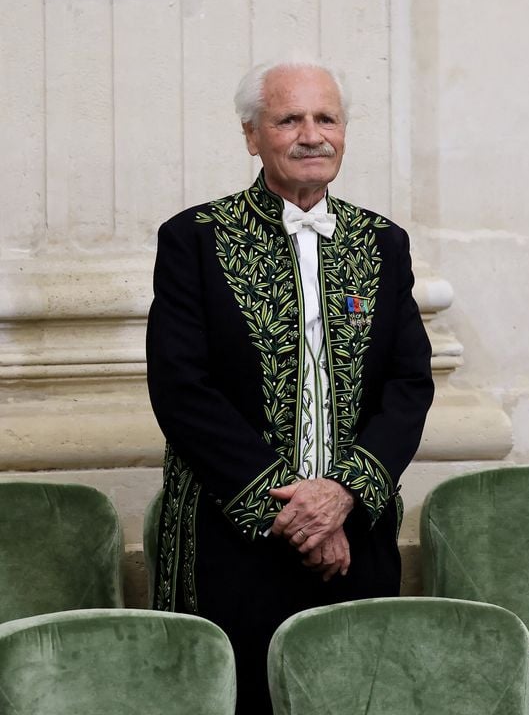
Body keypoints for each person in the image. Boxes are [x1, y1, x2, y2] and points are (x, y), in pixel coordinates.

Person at [146, 59, 434, 715]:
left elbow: (409, 385)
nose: (312, 135)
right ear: (253, 135)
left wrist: (341, 497)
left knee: (354, 695)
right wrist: (293, 513)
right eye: (289, 119)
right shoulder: (193, 239)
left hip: (355, 536)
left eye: (326, 118)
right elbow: (180, 388)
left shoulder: (383, 243)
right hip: (230, 542)